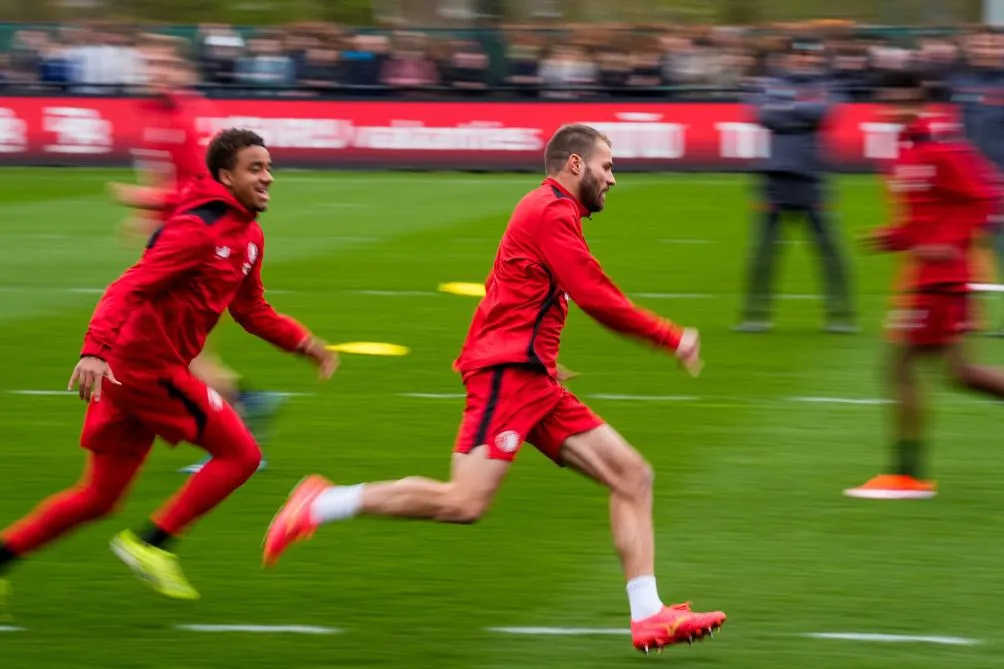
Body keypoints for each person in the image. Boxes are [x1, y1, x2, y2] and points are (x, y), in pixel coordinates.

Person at [262, 124, 726, 654]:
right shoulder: (550, 210)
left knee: (632, 475)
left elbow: (507, 290)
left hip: (531, 376)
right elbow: (594, 295)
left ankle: (648, 614)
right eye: (607, 166)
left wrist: (542, 357)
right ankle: (322, 503)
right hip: (508, 377)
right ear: (575, 165)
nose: (613, 178)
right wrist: (671, 336)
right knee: (464, 502)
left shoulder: (552, 211)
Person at [0, 129, 337, 607]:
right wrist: (94, 350)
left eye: (268, 167)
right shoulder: (199, 228)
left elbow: (251, 310)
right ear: (226, 176)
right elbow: (129, 286)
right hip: (145, 370)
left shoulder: (250, 235)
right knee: (240, 454)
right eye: (255, 169)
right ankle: (151, 543)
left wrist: (304, 343)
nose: (269, 178)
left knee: (98, 497)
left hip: (136, 372)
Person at [110, 35, 285, 475]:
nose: (155, 74)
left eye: (164, 67)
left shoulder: (186, 118)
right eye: (149, 66)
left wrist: (146, 198)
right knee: (184, 353)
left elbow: (201, 186)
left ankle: (239, 436)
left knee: (188, 355)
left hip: (198, 249)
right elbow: (162, 171)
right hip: (172, 241)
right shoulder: (151, 112)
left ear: (181, 72)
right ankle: (247, 405)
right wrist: (145, 216)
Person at [845, 70, 1004, 500]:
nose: (895, 109)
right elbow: (925, 215)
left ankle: (907, 475)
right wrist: (893, 238)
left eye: (904, 101)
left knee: (901, 367)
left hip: (943, 278)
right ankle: (907, 474)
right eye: (889, 101)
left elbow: (985, 196)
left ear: (921, 102)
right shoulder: (906, 150)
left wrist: (946, 244)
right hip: (930, 276)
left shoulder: (939, 147)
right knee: (961, 373)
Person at [737, 36, 856, 333]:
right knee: (764, 252)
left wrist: (787, 111)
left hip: (812, 176)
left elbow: (825, 112)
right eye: (798, 55)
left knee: (828, 250)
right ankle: (755, 315)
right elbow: (761, 114)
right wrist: (802, 112)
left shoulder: (828, 85)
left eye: (809, 55)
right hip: (775, 177)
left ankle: (841, 315)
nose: (804, 60)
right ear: (787, 58)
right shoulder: (768, 84)